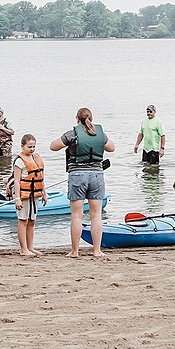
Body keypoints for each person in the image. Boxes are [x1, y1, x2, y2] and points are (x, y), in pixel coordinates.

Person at [50, 107, 115, 258]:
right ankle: (97, 251)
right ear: (91, 119)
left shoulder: (72, 134)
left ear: (77, 119)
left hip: (77, 176)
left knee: (77, 216)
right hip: (97, 176)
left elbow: (53, 147)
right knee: (96, 215)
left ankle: (75, 251)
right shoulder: (100, 134)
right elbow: (111, 147)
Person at [14, 134, 48, 257]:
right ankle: (23, 249)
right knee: (23, 220)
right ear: (23, 146)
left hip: (35, 195)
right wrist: (17, 199)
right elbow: (17, 181)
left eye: (34, 146)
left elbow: (40, 177)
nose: (32, 149)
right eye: (29, 147)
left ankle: (30, 247)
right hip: (24, 195)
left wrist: (44, 192)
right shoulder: (19, 161)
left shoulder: (36, 158)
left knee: (32, 221)